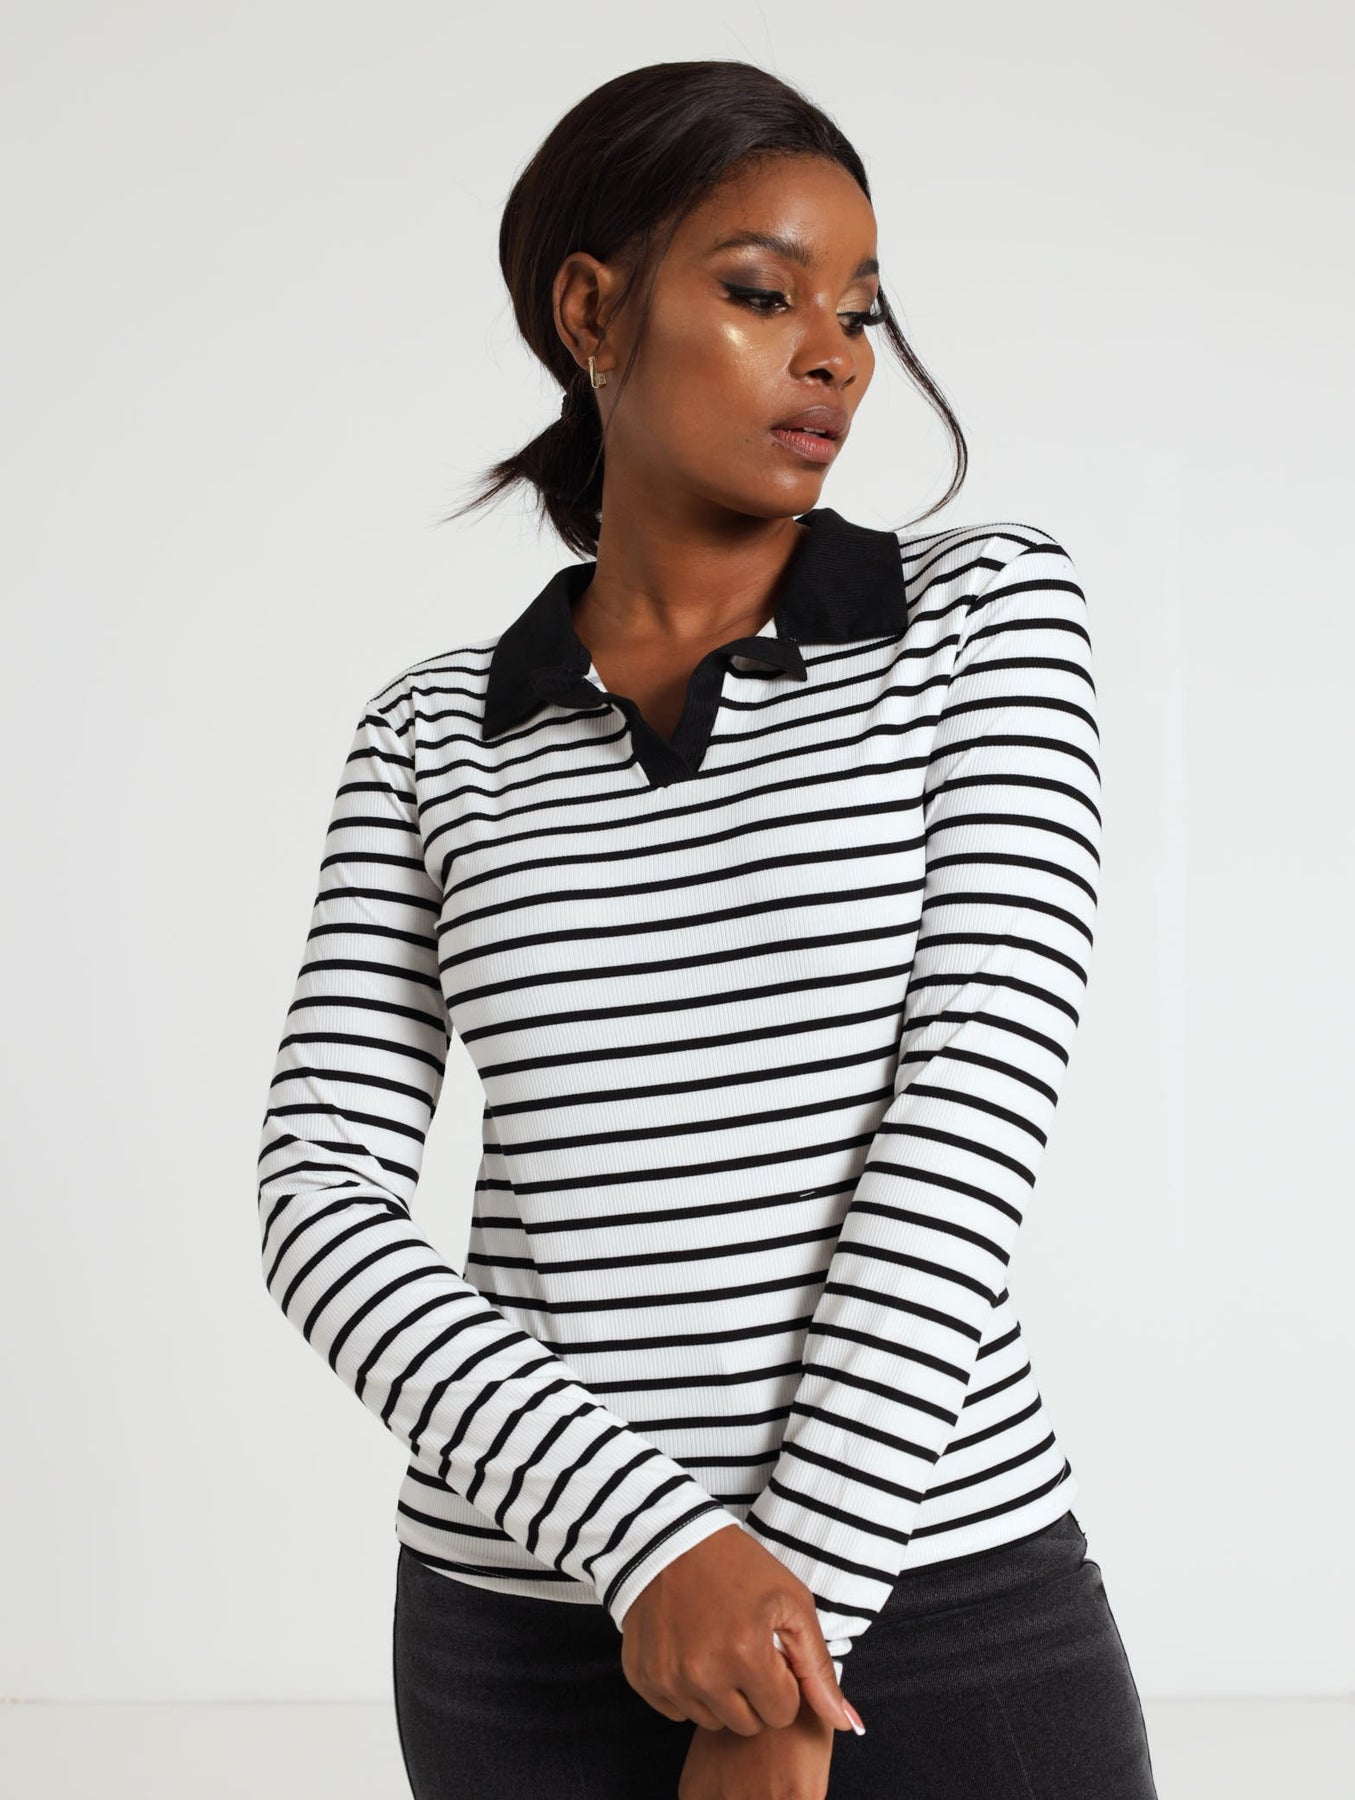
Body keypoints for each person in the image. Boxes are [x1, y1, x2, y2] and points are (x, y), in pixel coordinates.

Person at [256, 57, 1158, 1800]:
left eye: (861, 311)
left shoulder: (986, 614)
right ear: (593, 312)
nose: (837, 356)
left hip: (941, 1607)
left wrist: (782, 1659)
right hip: (528, 1633)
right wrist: (655, 1545)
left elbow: (971, 1112)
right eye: (762, 294)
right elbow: (318, 1196)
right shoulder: (430, 735)